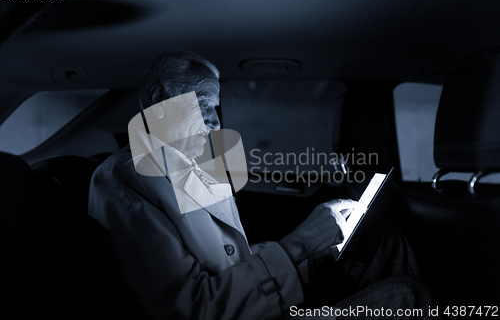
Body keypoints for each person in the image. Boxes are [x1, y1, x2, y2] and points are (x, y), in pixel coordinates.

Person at [88, 50, 440, 320]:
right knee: (406, 298)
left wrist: (315, 245)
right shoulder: (123, 178)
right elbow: (190, 309)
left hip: (252, 303)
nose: (213, 121)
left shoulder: (189, 169)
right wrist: (300, 244)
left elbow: (230, 263)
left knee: (377, 236)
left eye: (215, 107)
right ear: (158, 100)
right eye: (201, 103)